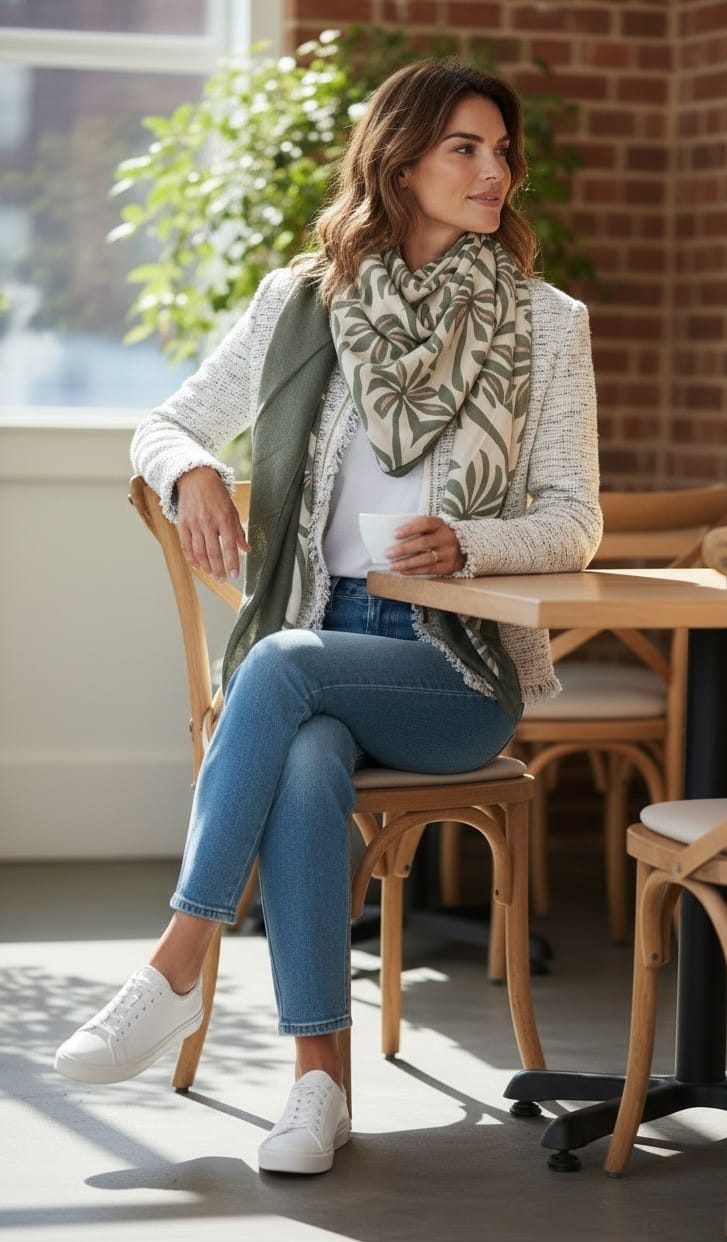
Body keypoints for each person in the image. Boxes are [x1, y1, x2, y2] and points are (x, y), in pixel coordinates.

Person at [54, 58, 602, 1175]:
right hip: (320, 637)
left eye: (503, 153)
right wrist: (194, 470)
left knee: (281, 670)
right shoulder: (303, 301)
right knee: (302, 756)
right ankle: (320, 1089)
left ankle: (177, 959)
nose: (494, 170)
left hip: (452, 660)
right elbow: (164, 421)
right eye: (466, 147)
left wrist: (477, 542)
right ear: (398, 160)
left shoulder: (546, 324)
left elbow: (576, 518)